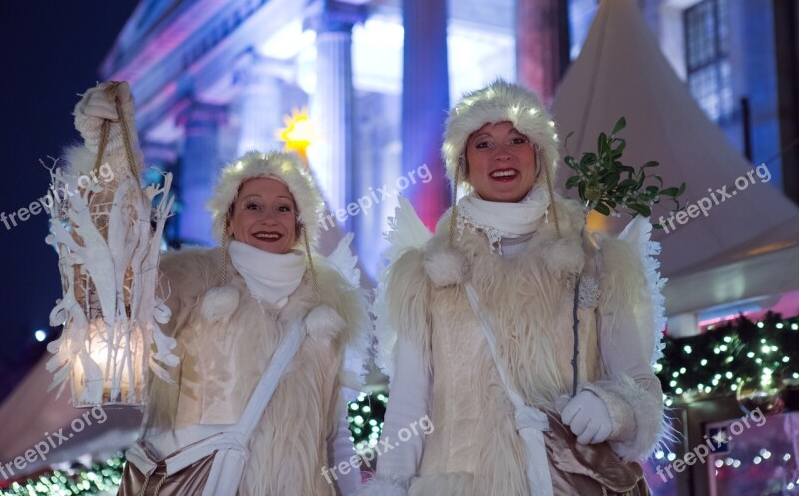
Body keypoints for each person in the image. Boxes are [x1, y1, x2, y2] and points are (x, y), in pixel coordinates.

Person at [60, 81, 369, 495]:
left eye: (282, 208)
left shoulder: (328, 305)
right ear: (229, 220)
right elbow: (115, 277)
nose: (268, 218)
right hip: (200, 483)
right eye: (253, 206)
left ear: (299, 223)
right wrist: (111, 154)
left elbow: (336, 436)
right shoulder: (189, 278)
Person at [361, 79, 666, 495]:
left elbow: (639, 382)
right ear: (463, 164)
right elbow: (408, 406)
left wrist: (614, 409)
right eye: (483, 143)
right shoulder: (427, 275)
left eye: (517, 139)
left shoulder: (596, 263)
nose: (502, 154)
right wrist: (391, 485)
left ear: (539, 155)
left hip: (570, 483)